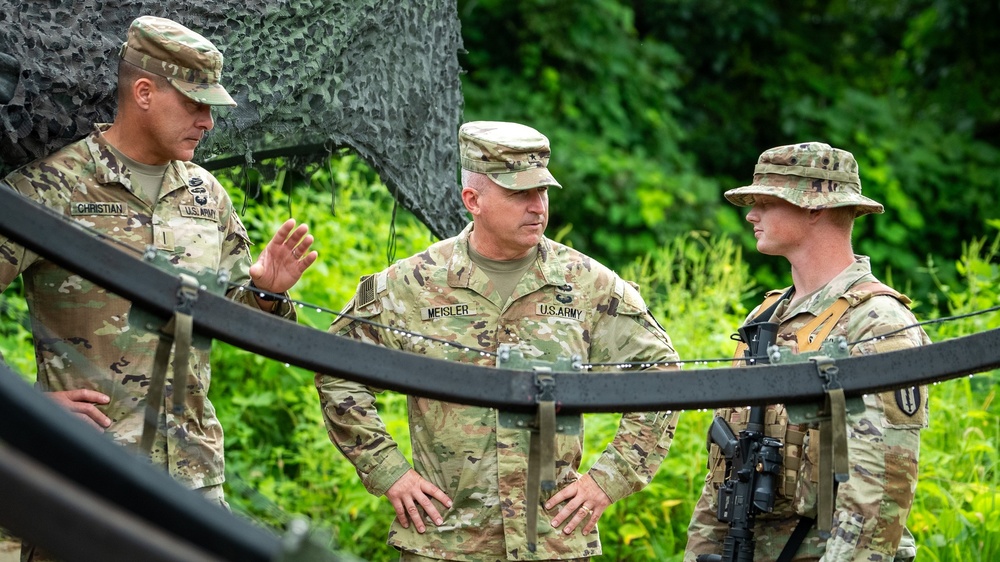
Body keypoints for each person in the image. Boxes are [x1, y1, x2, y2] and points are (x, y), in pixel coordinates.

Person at [0, 15, 317, 559]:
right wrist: (27, 407)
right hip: (86, 478)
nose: (208, 123)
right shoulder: (51, 187)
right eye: (195, 104)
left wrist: (266, 293)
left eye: (212, 108)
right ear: (144, 92)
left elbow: (241, 323)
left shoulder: (206, 196)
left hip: (191, 481)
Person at [316, 121, 681, 561]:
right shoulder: (411, 285)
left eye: (542, 192)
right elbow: (338, 370)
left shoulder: (588, 284)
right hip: (445, 541)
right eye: (518, 194)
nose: (537, 207)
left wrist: (610, 478)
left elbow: (661, 375)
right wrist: (388, 471)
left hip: (552, 542)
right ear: (473, 200)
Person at [684, 142, 930, 561]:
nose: (751, 215)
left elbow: (880, 489)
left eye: (766, 201)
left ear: (813, 207)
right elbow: (724, 470)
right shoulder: (766, 317)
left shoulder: (878, 322)